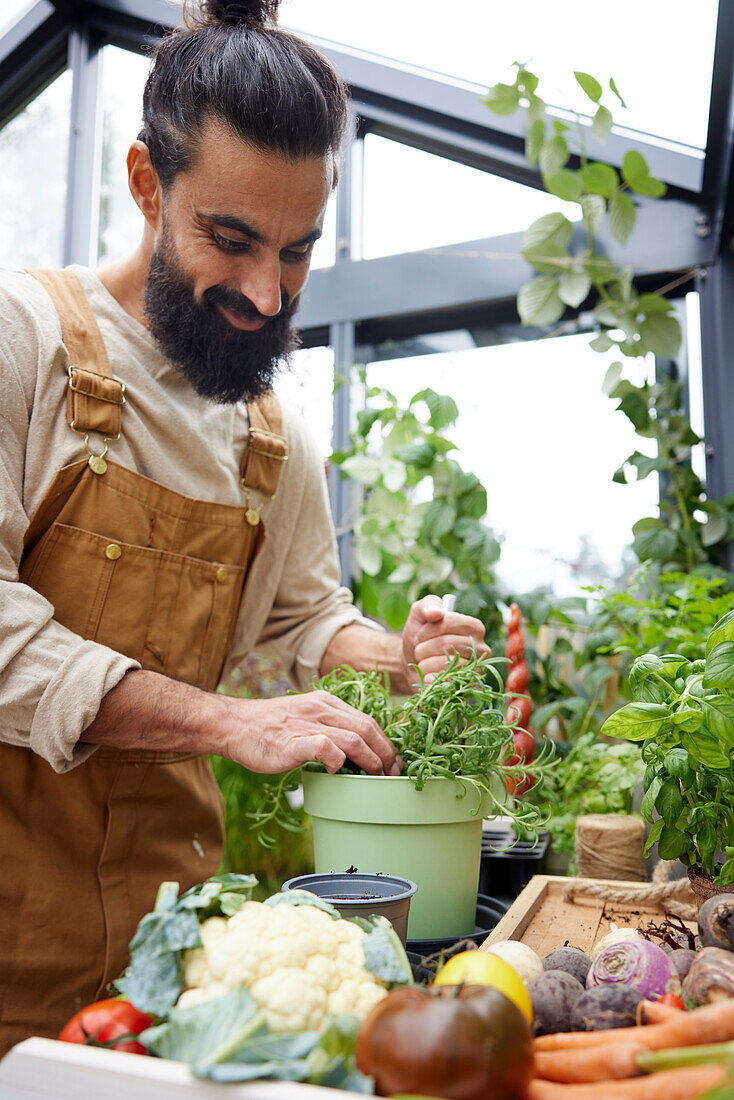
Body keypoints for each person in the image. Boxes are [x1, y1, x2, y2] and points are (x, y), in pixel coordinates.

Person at [0, 0, 490, 1052]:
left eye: (297, 251)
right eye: (231, 241)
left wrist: (392, 656)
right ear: (145, 185)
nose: (267, 295)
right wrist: (230, 723)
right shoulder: (25, 340)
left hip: (175, 965)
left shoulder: (273, 435)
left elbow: (308, 620)